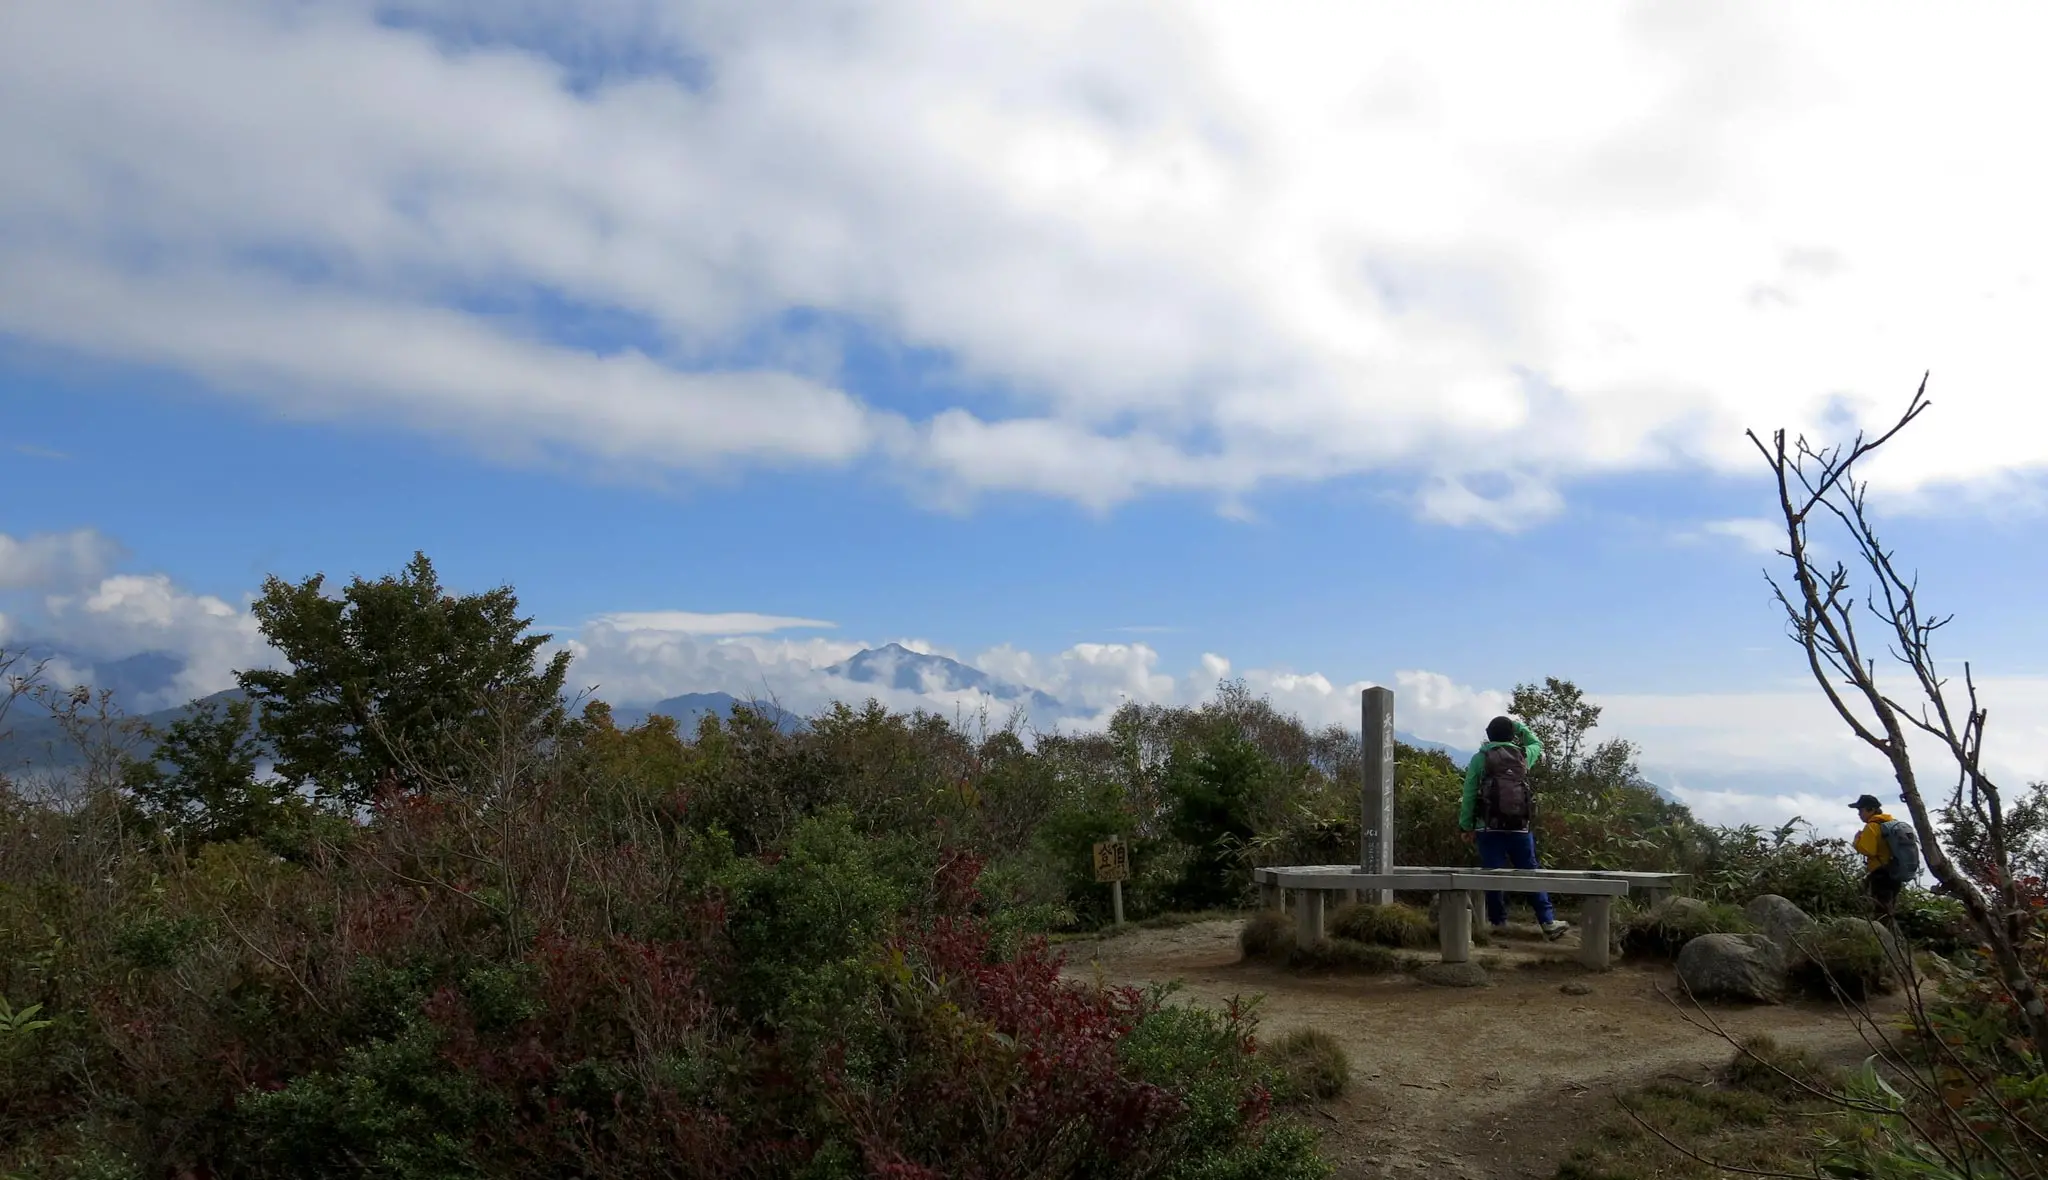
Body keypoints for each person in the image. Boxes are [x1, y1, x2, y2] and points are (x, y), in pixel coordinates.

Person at [1459, 715, 1571, 941]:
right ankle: (1548, 922)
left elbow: (1469, 794)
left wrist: (1466, 826)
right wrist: (1519, 727)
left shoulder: (1481, 758)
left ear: (1488, 735)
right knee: (1531, 873)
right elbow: (1537, 743)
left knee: (1492, 875)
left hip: (1488, 828)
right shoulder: (1522, 756)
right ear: (1512, 735)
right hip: (1520, 827)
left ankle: (1498, 923)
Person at [1851, 793, 1919, 920]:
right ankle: (1889, 930)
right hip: (1894, 871)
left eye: (1861, 810)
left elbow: (1868, 850)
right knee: (1888, 909)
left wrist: (1856, 841)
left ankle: (1882, 931)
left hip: (1880, 874)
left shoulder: (1872, 826)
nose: (1859, 814)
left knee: (1880, 911)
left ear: (1871, 809)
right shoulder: (1889, 823)